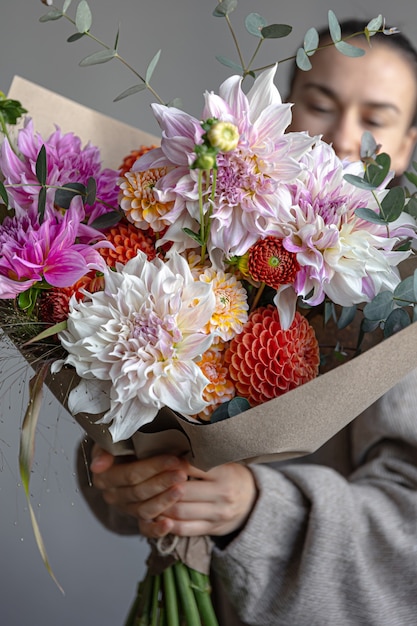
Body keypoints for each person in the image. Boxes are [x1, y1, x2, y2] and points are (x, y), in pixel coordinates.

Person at [76, 20, 417, 626]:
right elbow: (156, 416)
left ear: (409, 143)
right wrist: (129, 474)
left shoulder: (403, 294)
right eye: (321, 104)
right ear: (283, 114)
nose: (343, 139)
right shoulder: (213, 230)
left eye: (375, 119)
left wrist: (257, 510)